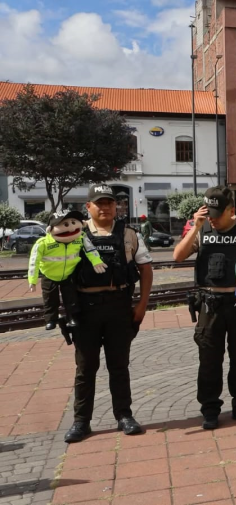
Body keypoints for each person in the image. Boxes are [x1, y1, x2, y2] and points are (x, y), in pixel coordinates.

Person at [173, 186, 236, 429]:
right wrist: (195, 226)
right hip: (209, 305)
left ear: (231, 210)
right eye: (209, 214)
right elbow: (178, 256)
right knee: (209, 360)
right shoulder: (201, 229)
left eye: (217, 214)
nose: (212, 220)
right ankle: (210, 409)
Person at [64, 184, 153, 443]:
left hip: (119, 307)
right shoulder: (74, 233)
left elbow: (146, 269)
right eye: (99, 203)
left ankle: (124, 416)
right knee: (85, 368)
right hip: (86, 310)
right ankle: (81, 422)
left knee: (119, 366)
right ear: (88, 207)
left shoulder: (129, 234)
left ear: (116, 206)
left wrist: (142, 305)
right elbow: (57, 272)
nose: (105, 207)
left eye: (109, 203)